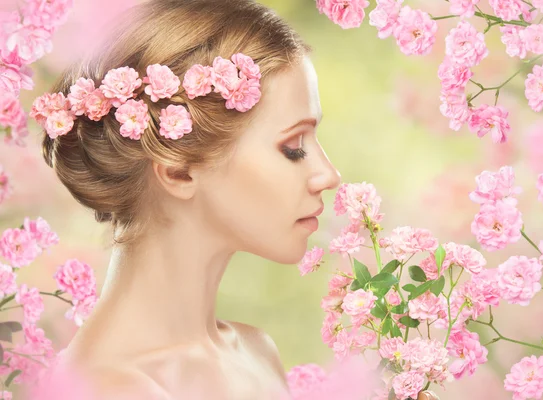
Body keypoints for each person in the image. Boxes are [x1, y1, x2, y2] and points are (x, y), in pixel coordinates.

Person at [34, 0, 341, 398]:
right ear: (178, 170)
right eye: (294, 146)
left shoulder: (255, 353)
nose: (329, 175)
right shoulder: (109, 389)